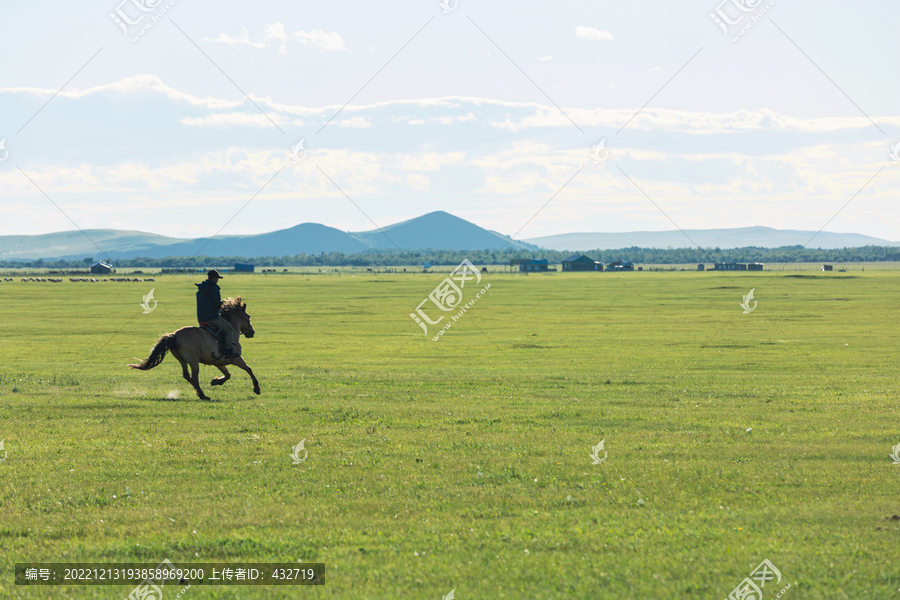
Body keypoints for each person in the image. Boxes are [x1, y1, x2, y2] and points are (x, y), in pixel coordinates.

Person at [196, 269, 235, 357]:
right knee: (229, 329)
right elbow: (217, 304)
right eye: (217, 278)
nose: (217, 280)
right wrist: (222, 304)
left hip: (201, 318)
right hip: (212, 317)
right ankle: (228, 351)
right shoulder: (214, 288)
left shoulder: (201, 288)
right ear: (214, 278)